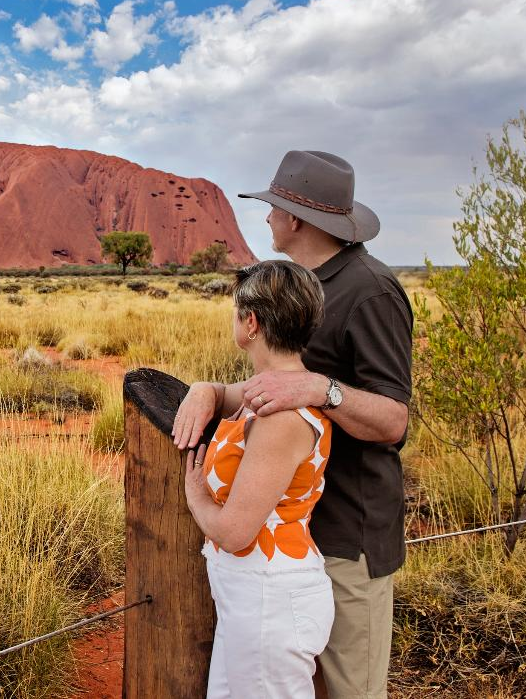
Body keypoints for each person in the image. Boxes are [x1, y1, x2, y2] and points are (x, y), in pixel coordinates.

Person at [174, 150, 413, 699]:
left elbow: (394, 418)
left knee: (350, 691)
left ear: (297, 219)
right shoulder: (305, 286)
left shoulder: (369, 290)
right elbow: (274, 385)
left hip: (347, 536)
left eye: (275, 208)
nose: (267, 219)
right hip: (292, 536)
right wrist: (208, 391)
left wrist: (320, 390)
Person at [182, 259, 334, 699]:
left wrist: (196, 497)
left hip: (270, 601)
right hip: (253, 599)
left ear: (251, 322)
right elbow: (229, 395)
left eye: (236, 312)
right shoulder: (271, 390)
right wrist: (203, 389)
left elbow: (233, 532)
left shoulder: (281, 416)